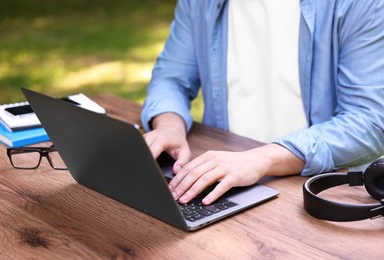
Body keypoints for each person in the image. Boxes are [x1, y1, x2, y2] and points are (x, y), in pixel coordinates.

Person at [140, 0, 384, 206]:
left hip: (321, 192)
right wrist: (169, 125)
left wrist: (260, 159)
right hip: (221, 178)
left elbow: (369, 120)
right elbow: (171, 76)